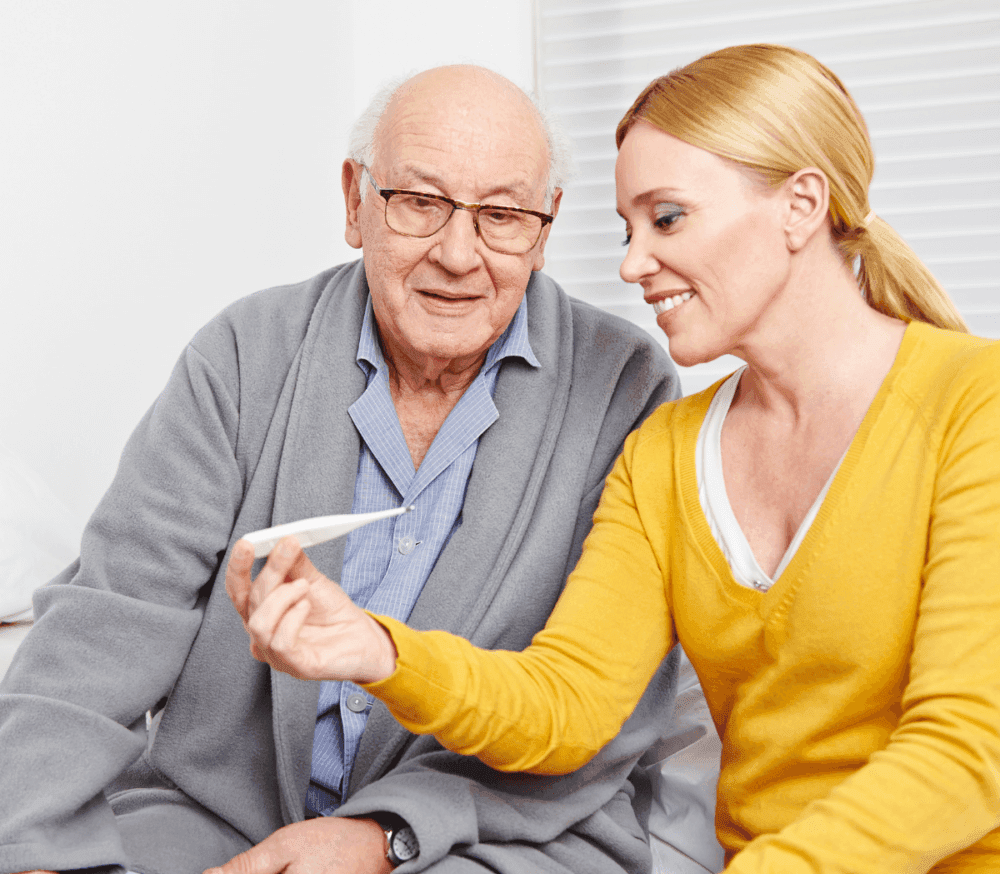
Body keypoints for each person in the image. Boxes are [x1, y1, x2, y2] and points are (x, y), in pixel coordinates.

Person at [233, 45, 1000, 873]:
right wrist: (379, 650)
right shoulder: (666, 453)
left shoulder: (975, 405)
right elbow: (568, 706)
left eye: (667, 218)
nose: (632, 265)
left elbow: (967, 749)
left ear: (801, 205)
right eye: (628, 229)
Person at [0, 66, 702, 874]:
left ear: (543, 233)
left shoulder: (623, 385)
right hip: (221, 815)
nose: (457, 254)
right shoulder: (244, 353)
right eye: (420, 202)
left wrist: (387, 837)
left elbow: (602, 711)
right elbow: (107, 618)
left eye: (502, 215)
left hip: (492, 831)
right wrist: (31, 847)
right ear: (354, 203)